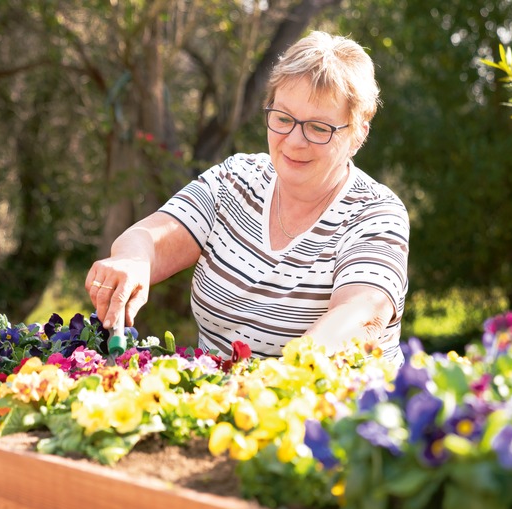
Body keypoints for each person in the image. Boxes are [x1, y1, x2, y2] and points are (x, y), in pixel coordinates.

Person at [86, 31, 409, 366]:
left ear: (358, 134)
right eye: (283, 119)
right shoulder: (235, 179)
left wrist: (272, 383)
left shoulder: (376, 214)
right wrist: (133, 261)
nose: (294, 141)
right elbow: (148, 238)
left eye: (318, 128)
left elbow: (360, 313)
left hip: (332, 412)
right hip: (222, 409)